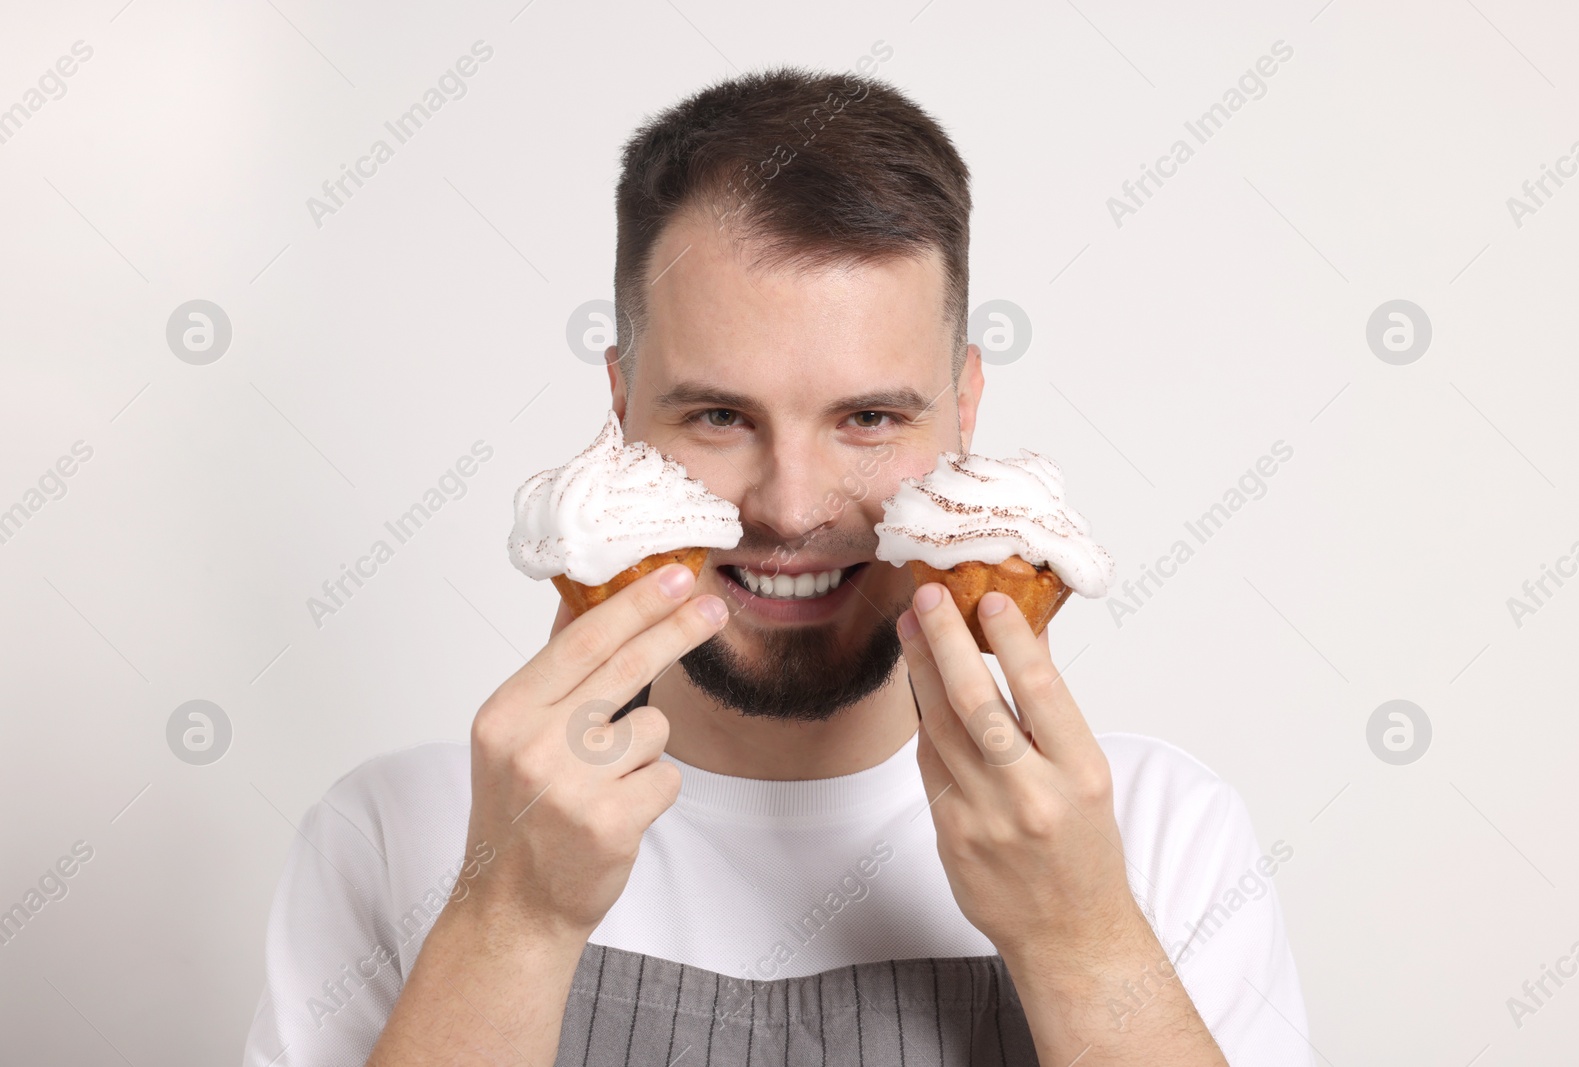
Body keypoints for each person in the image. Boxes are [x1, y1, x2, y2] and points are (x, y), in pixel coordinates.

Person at [243, 65, 1310, 1066]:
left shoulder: (1155, 830)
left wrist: (1081, 938)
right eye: (717, 415)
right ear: (619, 407)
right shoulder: (398, 832)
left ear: (965, 408)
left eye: (870, 417)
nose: (790, 509)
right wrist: (510, 917)